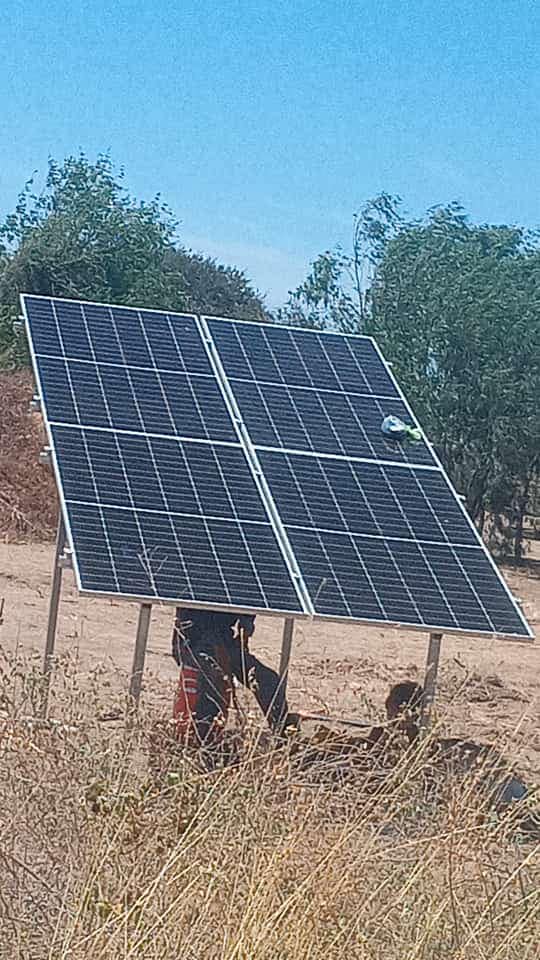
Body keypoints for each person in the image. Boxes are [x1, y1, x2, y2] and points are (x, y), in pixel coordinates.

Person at [171, 607, 296, 745]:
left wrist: (246, 625)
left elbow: (247, 599)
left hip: (224, 638)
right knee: (212, 684)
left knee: (268, 681)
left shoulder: (244, 586)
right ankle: (204, 744)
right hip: (193, 639)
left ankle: (285, 736)